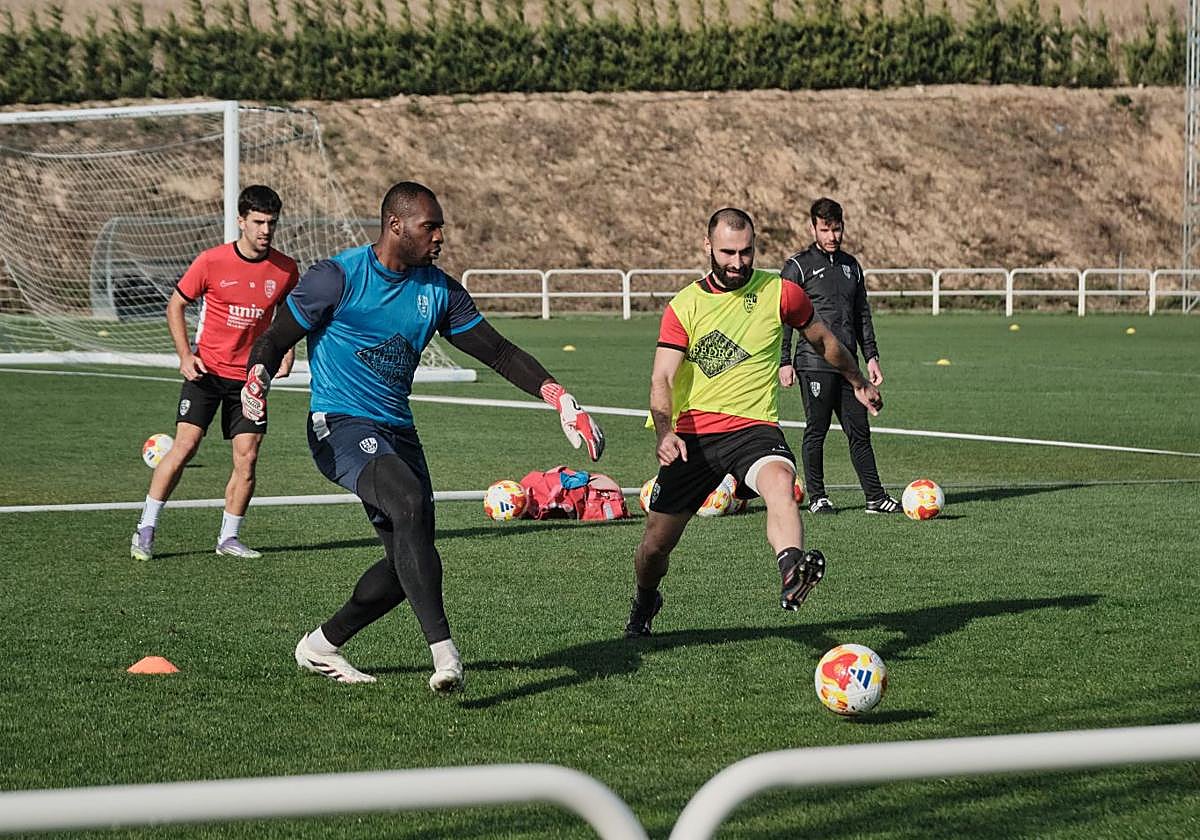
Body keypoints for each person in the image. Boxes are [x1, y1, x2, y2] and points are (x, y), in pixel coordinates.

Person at [241, 181, 605, 692]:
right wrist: (256, 376)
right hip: (339, 425)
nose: (440, 237)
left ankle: (321, 646)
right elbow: (277, 336)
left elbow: (498, 352)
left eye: (441, 228)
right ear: (396, 226)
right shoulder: (337, 277)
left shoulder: (439, 290)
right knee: (408, 504)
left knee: (406, 564)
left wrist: (559, 398)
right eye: (429, 227)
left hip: (398, 430)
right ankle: (447, 655)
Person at [625, 207, 883, 638]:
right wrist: (666, 432)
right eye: (728, 252)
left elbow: (823, 340)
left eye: (746, 253)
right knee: (654, 547)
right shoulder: (684, 306)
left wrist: (856, 380)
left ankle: (791, 569)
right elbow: (662, 377)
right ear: (708, 246)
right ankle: (647, 598)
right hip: (693, 436)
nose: (737, 263)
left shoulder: (781, 293)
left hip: (753, 428)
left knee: (781, 481)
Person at [130, 185, 299, 561]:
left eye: (271, 223)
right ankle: (146, 528)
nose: (265, 231)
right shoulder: (211, 261)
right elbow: (175, 305)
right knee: (185, 447)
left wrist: (288, 349)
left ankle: (229, 538)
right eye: (257, 222)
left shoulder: (286, 269)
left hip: (250, 379)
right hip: (206, 372)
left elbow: (292, 315)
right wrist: (185, 354)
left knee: (248, 457)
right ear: (241, 221)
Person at [779, 197, 901, 515]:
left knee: (859, 431)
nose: (832, 236)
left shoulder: (851, 266)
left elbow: (862, 315)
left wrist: (871, 356)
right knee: (816, 429)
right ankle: (818, 497)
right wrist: (785, 360)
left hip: (849, 367)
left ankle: (875, 497)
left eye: (837, 229)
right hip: (813, 362)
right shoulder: (798, 266)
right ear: (813, 228)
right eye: (825, 229)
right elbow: (784, 316)